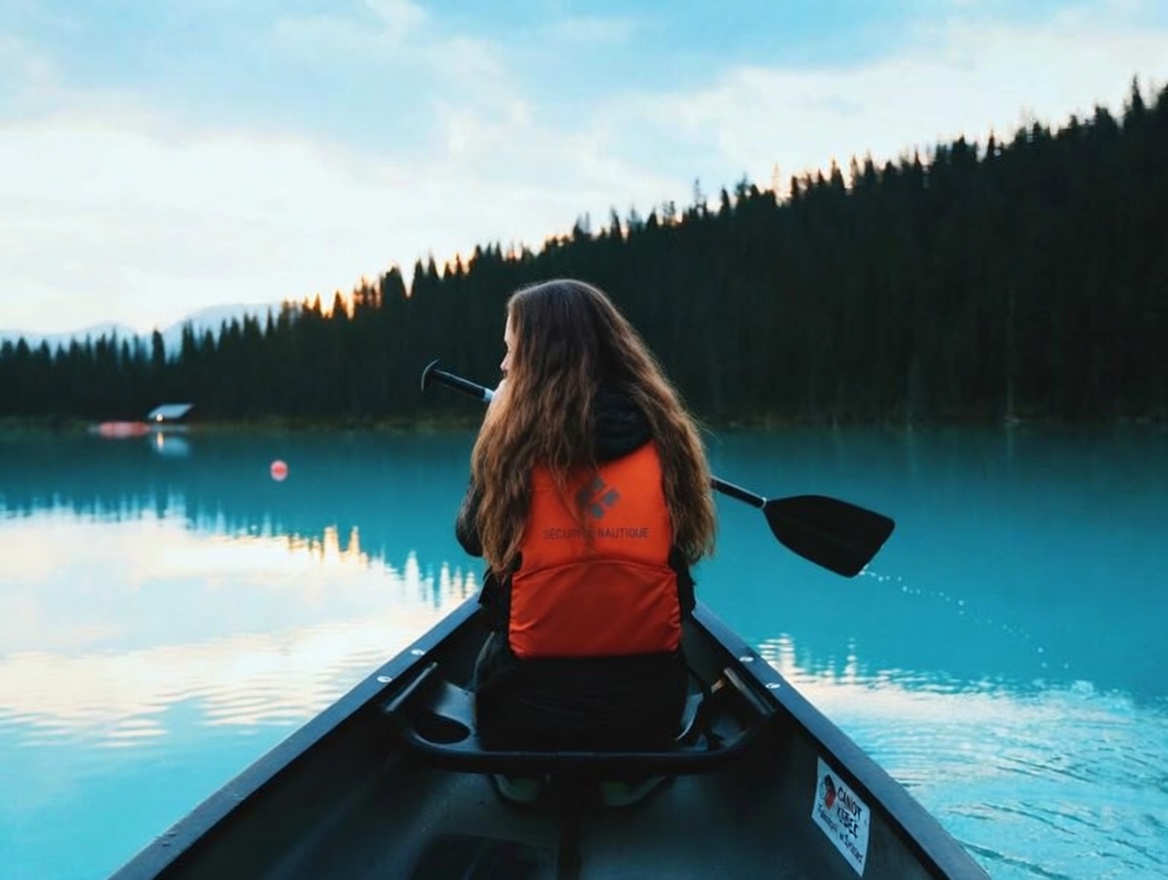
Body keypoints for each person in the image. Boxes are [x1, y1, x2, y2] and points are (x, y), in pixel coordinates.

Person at [455, 279, 717, 787]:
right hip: (649, 713)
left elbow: (472, 538)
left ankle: (525, 785)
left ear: (538, 358)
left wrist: (493, 429)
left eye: (511, 352)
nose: (504, 367)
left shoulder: (513, 445)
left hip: (525, 717)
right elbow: (683, 548)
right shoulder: (666, 434)